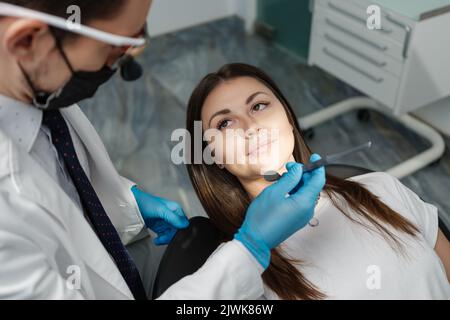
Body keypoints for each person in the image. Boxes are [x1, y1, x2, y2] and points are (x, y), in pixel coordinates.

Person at [0, 1, 327, 299]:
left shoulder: (40, 84)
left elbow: (59, 179)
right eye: (114, 48)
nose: (129, 63)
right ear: (27, 42)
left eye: (259, 106)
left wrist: (125, 204)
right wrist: (250, 249)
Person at [185, 63, 450, 299]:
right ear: (214, 156)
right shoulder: (240, 270)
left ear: (288, 118)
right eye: (225, 123)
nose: (250, 126)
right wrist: (253, 245)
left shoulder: (381, 187)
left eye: (259, 106)